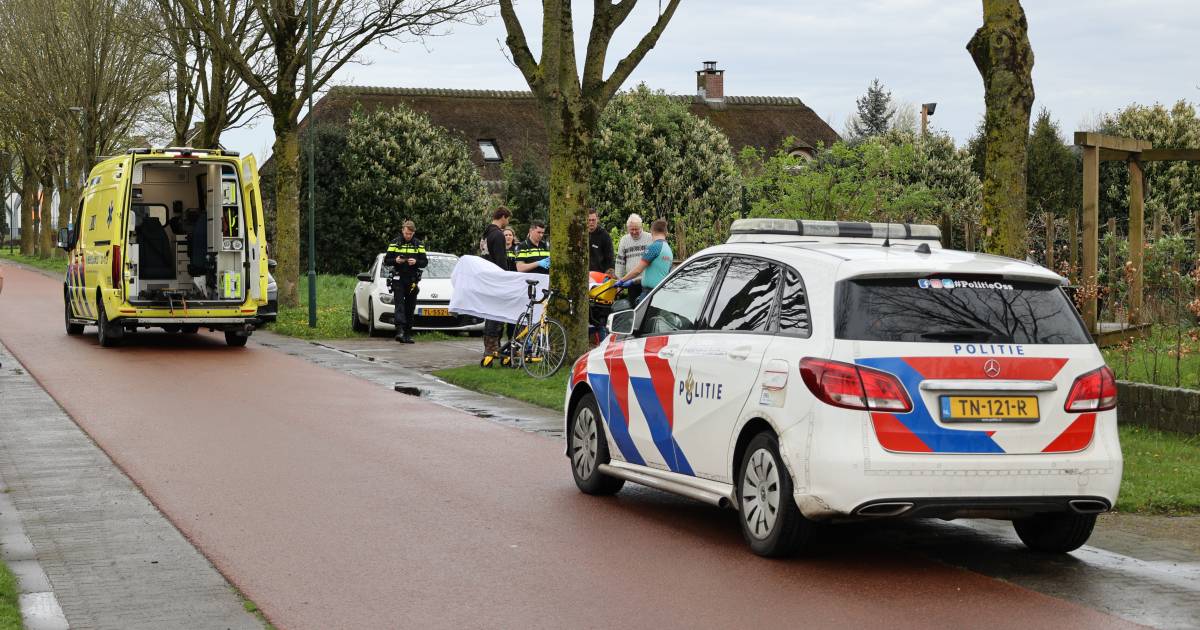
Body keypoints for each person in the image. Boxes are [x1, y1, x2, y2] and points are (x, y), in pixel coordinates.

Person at [384, 220, 428, 344]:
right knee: (399, 304)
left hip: (412, 279)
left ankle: (407, 334)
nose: (408, 235)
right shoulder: (395, 243)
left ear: (413, 233)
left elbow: (424, 262)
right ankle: (400, 331)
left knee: (410, 306)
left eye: (410, 233)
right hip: (398, 278)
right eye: (406, 233)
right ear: (402, 230)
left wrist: (416, 262)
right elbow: (387, 260)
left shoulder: (419, 244)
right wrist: (396, 260)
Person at [480, 206, 512, 361]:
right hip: (496, 279)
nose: (507, 223)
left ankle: (490, 346)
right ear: (503, 217)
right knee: (496, 313)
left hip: (486, 278)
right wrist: (506, 278)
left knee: (490, 313)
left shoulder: (485, 234)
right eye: (508, 219)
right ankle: (492, 347)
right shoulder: (498, 235)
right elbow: (501, 260)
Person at [616, 218, 672, 302]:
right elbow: (653, 274)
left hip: (649, 293)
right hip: (659, 292)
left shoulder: (654, 247)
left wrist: (621, 280)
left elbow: (638, 270)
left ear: (652, 231)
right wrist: (633, 282)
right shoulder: (668, 249)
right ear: (666, 232)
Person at [615, 213, 654, 302]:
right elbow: (620, 262)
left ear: (641, 227)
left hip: (647, 281)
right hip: (631, 282)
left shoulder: (650, 238)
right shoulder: (624, 240)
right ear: (628, 228)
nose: (634, 232)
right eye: (632, 229)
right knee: (633, 307)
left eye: (637, 229)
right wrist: (619, 280)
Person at [587, 209, 614, 275]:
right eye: (589, 220)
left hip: (599, 274)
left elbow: (610, 257)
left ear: (597, 219)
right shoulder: (581, 235)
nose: (591, 222)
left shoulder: (604, 235)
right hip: (584, 274)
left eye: (593, 220)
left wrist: (608, 273)